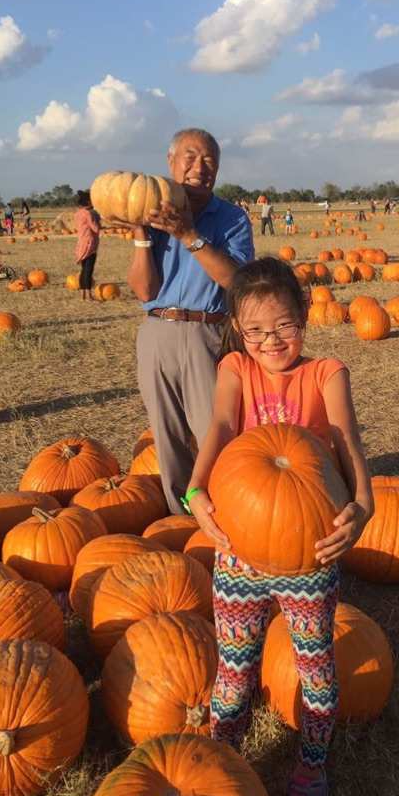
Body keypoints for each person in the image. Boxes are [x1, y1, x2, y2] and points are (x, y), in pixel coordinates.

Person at [185, 256, 373, 796]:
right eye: (257, 330)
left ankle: (310, 773)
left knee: (316, 670)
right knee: (234, 673)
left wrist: (363, 505)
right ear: (239, 331)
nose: (272, 340)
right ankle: (221, 766)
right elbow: (218, 425)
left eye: (284, 326)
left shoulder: (326, 374)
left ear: (305, 320)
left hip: (308, 553)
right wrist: (195, 489)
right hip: (239, 549)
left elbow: (345, 439)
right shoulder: (235, 367)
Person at [118, 128, 254, 514]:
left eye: (209, 160)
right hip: (157, 330)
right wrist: (141, 235)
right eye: (190, 157)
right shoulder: (151, 213)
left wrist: (188, 234)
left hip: (207, 331)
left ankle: (230, 511)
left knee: (215, 431)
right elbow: (145, 291)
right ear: (170, 162)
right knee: (167, 434)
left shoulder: (230, 218)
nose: (200, 167)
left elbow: (235, 280)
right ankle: (182, 519)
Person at [74, 190, 100, 300]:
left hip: (81, 243)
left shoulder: (77, 213)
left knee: (84, 269)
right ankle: (89, 295)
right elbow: (95, 228)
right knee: (89, 270)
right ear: (89, 202)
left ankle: (83, 294)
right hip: (90, 244)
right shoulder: (88, 214)